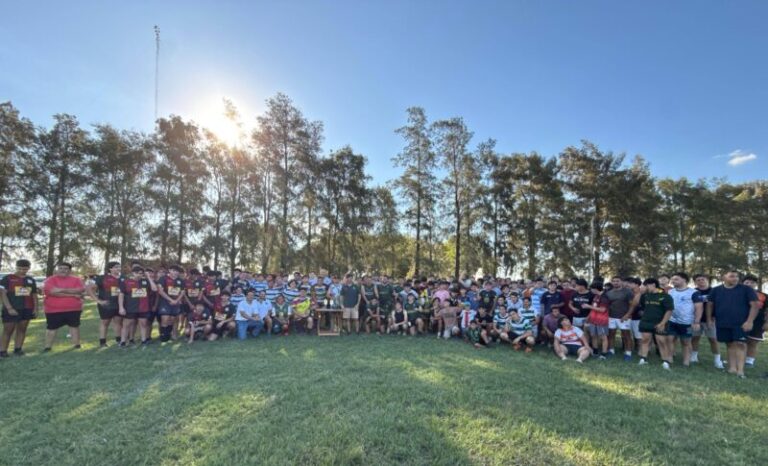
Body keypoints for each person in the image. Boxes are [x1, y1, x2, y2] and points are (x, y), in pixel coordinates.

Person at [706, 271, 760, 378]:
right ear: (723, 277)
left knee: (741, 344)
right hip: (722, 322)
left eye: (736, 276)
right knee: (729, 344)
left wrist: (749, 321)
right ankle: (732, 368)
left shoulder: (746, 289)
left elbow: (755, 306)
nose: (735, 278)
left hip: (741, 323)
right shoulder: (716, 290)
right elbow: (709, 305)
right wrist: (708, 319)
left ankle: (740, 371)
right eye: (731, 276)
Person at [42, 262, 86, 352]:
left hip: (74, 309)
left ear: (69, 270)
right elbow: (52, 292)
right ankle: (47, 347)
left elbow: (80, 290)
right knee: (51, 328)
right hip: (53, 310)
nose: (63, 270)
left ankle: (77, 345)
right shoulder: (50, 280)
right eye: (61, 268)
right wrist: (73, 295)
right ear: (57, 270)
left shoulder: (76, 280)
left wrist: (61, 290)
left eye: (65, 268)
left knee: (74, 327)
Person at [1, 259, 38, 357]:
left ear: (28, 268)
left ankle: (18, 349)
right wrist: (9, 308)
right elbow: (3, 294)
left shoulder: (30, 279)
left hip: (27, 308)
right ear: (16, 267)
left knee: (22, 329)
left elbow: (34, 295)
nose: (22, 271)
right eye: (19, 268)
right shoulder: (8, 278)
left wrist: (35, 308)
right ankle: (2, 351)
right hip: (12, 308)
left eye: (24, 269)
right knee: (8, 330)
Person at [636, 278, 675, 369]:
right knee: (645, 340)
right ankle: (643, 358)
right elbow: (643, 307)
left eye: (646, 285)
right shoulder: (645, 296)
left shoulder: (665, 296)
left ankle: (665, 361)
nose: (644, 287)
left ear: (653, 284)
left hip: (660, 323)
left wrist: (662, 323)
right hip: (646, 322)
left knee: (661, 342)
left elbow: (669, 311)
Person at [118, 265, 158, 347]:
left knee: (143, 324)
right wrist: (121, 307)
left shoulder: (146, 281)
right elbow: (121, 295)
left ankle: (143, 341)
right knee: (126, 325)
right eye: (138, 273)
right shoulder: (126, 282)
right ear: (133, 273)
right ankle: (123, 342)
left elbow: (154, 289)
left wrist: (149, 278)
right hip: (130, 308)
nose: (139, 275)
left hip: (143, 308)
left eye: (141, 273)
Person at [86, 261, 122, 347]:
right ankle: (102, 342)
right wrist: (99, 301)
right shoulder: (102, 278)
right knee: (105, 323)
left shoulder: (123, 278)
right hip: (106, 305)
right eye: (116, 267)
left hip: (119, 305)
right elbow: (89, 289)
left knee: (118, 322)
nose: (118, 268)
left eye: (119, 267)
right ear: (110, 269)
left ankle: (119, 340)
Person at [690, 274, 723, 369]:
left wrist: (714, 317)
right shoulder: (693, 292)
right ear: (695, 282)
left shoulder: (714, 291)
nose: (701, 281)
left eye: (702, 279)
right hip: (696, 319)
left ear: (707, 280)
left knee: (713, 339)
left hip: (710, 319)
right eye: (698, 280)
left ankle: (717, 360)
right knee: (695, 338)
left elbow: (719, 305)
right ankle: (694, 357)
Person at [667, 273, 696, 366]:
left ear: (684, 280)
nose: (673, 281)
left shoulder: (693, 292)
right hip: (672, 320)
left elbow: (699, 308)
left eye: (676, 279)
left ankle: (686, 362)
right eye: (672, 279)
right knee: (670, 339)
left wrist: (697, 321)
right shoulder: (670, 292)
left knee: (685, 342)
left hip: (687, 322)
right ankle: (669, 358)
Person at [605, 276, 634, 360]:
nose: (615, 283)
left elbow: (632, 305)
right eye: (613, 281)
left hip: (624, 317)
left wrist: (627, 315)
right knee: (611, 335)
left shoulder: (628, 292)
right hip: (611, 317)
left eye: (617, 281)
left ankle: (628, 353)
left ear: (621, 282)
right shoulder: (608, 293)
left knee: (626, 335)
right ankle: (611, 351)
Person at [742, 275, 766, 369]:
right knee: (740, 341)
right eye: (747, 282)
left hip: (758, 322)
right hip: (740, 321)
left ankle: (749, 361)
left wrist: (766, 322)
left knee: (753, 341)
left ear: (756, 284)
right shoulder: (737, 293)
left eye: (752, 282)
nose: (749, 284)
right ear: (742, 283)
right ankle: (738, 358)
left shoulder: (763, 296)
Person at [156, 265, 185, 343]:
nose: (175, 272)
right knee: (165, 319)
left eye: (177, 271)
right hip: (165, 302)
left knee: (172, 320)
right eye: (174, 270)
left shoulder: (181, 281)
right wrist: (171, 300)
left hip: (176, 303)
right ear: (169, 270)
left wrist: (176, 300)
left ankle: (168, 336)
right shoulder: (163, 279)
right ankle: (163, 338)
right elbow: (160, 291)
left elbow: (182, 292)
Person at [584, 283, 610, 359]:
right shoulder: (596, 296)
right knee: (593, 335)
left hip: (601, 320)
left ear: (595, 289)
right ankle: (595, 351)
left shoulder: (604, 297)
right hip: (593, 320)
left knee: (603, 337)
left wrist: (588, 306)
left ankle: (604, 354)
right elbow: (593, 308)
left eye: (591, 289)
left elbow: (602, 310)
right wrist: (588, 317)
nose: (590, 290)